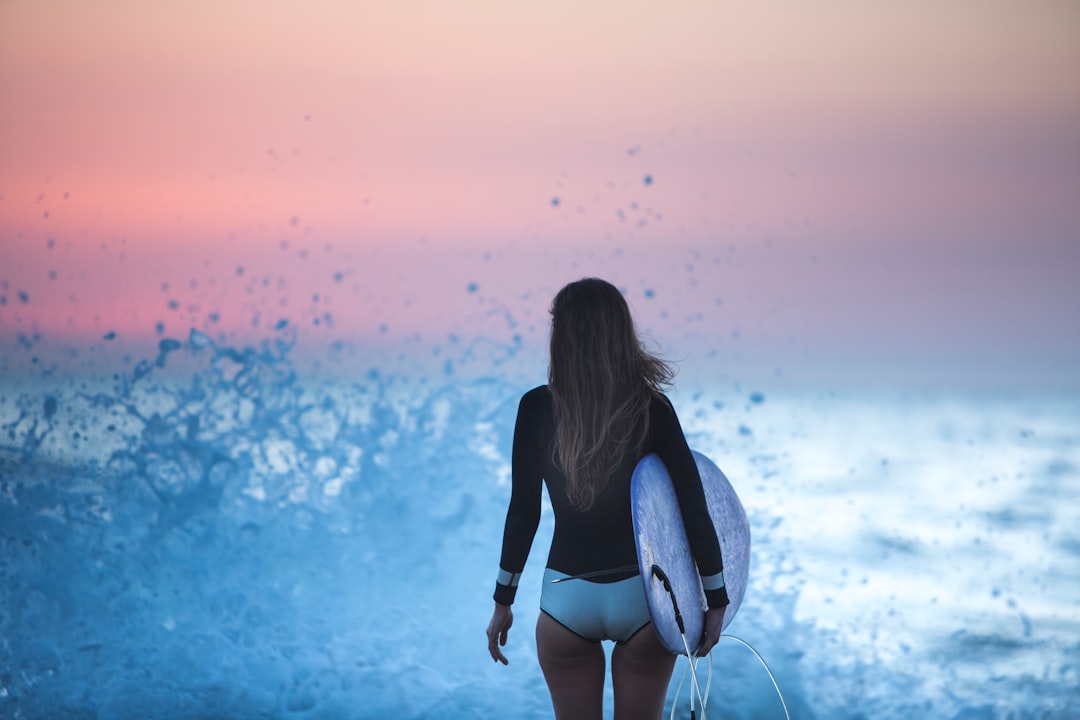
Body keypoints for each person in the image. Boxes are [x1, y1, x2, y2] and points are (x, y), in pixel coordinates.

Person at [485, 278, 729, 720]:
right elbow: (694, 505)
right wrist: (716, 598)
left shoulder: (535, 408)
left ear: (562, 337)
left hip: (565, 599)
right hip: (645, 601)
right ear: (620, 334)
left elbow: (524, 512)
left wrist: (504, 601)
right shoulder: (651, 409)